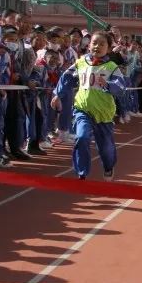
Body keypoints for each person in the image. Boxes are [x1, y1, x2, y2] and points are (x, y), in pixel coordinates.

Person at [52, 30, 124, 181]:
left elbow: (121, 87)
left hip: (103, 113)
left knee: (106, 149)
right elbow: (66, 78)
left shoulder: (112, 67)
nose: (97, 46)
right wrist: (58, 95)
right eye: (94, 43)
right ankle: (82, 172)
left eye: (102, 44)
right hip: (82, 109)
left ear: (109, 49)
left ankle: (108, 166)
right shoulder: (80, 62)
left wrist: (108, 85)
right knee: (82, 137)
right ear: (89, 45)